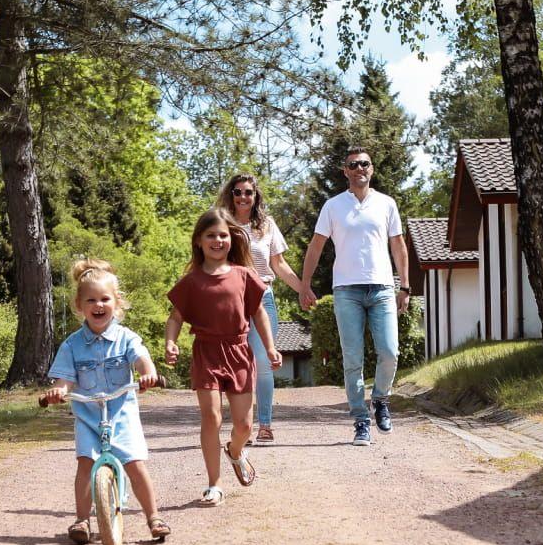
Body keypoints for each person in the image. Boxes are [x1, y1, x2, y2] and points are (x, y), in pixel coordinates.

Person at [46, 258, 167, 544]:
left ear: (117, 302)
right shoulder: (72, 345)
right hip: (89, 417)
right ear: (79, 305)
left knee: (135, 464)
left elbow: (141, 359)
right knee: (85, 463)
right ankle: (82, 520)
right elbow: (63, 377)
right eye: (91, 300)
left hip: (122, 413)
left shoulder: (126, 338)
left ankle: (154, 516)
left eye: (105, 299)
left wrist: (148, 374)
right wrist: (58, 390)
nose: (98, 306)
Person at [165, 208, 282, 506]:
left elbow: (259, 313)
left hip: (240, 351)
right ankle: (214, 483)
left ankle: (234, 450)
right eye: (211, 235)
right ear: (199, 241)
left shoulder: (244, 275)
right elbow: (176, 317)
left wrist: (269, 348)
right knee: (211, 416)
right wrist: (171, 342)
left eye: (223, 235)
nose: (218, 240)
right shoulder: (191, 281)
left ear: (232, 239)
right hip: (206, 352)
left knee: (244, 425)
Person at [298, 147, 409, 446]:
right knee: (353, 359)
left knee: (389, 352)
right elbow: (316, 246)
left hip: (383, 288)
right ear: (345, 171)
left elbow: (398, 246)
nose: (360, 168)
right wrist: (305, 284)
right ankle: (361, 420)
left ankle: (381, 400)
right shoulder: (333, 207)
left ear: (372, 169)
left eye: (365, 164)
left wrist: (405, 286)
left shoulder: (386, 204)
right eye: (353, 165)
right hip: (346, 291)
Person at [215, 173, 300, 443]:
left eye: (248, 192)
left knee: (263, 363)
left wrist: (303, 289)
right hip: (231, 301)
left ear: (255, 196)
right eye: (238, 192)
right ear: (231, 195)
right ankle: (243, 427)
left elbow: (279, 265)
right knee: (239, 366)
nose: (243, 197)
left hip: (263, 297)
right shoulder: (222, 224)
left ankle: (265, 424)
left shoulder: (267, 225)